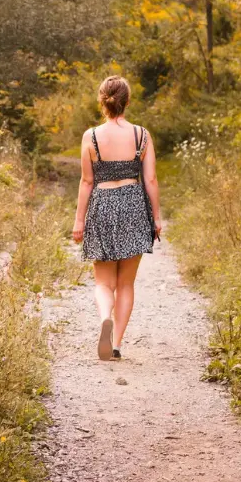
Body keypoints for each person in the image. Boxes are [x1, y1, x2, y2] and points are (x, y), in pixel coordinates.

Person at [71, 76, 162, 361]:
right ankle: (117, 344)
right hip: (133, 205)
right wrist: (156, 217)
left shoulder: (91, 136)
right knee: (126, 284)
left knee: (103, 282)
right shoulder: (142, 135)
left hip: (102, 204)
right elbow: (150, 179)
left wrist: (79, 221)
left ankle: (104, 319)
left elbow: (87, 181)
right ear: (127, 101)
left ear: (102, 101)